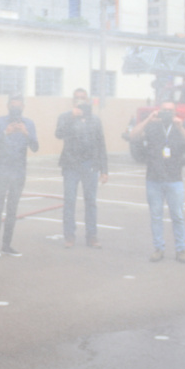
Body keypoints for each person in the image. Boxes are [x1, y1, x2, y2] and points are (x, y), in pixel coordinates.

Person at [129, 102, 185, 264]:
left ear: (175, 112)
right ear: (159, 111)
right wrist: (148, 119)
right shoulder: (152, 126)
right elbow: (133, 136)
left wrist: (180, 127)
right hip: (154, 179)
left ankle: (181, 250)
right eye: (164, 110)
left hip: (174, 179)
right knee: (156, 217)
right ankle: (158, 248)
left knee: (178, 216)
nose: (167, 113)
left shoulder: (179, 127)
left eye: (170, 111)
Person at [55, 88, 108, 249]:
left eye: (83, 98)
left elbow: (101, 144)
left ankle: (92, 236)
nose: (80, 100)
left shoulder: (95, 120)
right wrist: (72, 117)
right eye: (77, 98)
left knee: (91, 201)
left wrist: (104, 170)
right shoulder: (65, 117)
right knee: (69, 201)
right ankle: (69, 236)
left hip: (90, 165)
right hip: (71, 165)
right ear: (73, 100)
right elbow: (59, 134)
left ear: (88, 100)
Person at [0, 94, 38, 261]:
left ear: (23, 107)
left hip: (18, 172)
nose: (15, 108)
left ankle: (6, 245)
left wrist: (26, 133)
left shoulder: (29, 123)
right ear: (8, 106)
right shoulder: (0, 122)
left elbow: (35, 147)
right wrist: (5, 133)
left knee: (12, 210)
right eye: (12, 105)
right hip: (1, 171)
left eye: (18, 105)